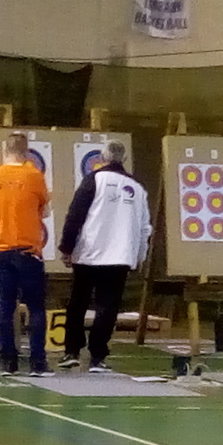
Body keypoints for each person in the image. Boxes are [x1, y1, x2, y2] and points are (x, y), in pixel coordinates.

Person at [57, 140, 151, 373]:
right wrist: (139, 255)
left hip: (89, 254)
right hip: (120, 256)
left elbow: (75, 215)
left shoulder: (93, 180)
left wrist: (66, 248)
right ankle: (98, 356)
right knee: (108, 306)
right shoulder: (137, 188)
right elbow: (144, 228)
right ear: (124, 159)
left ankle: (72, 351)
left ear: (102, 157)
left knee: (78, 302)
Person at [0, 132, 52, 376]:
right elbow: (46, 211)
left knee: (5, 305)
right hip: (27, 249)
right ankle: (37, 363)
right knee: (35, 306)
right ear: (27, 152)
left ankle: (8, 363)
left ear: (5, 151)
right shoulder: (34, 175)